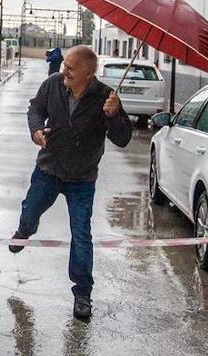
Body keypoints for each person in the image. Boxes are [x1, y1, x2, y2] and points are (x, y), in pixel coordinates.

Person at [11, 45, 132, 321]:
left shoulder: (106, 97)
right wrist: (36, 130)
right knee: (30, 211)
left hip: (82, 178)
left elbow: (123, 138)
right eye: (64, 65)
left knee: (81, 234)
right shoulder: (53, 84)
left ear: (88, 74)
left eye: (70, 68)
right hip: (49, 169)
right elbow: (35, 109)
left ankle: (83, 294)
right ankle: (24, 230)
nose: (64, 71)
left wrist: (113, 115)